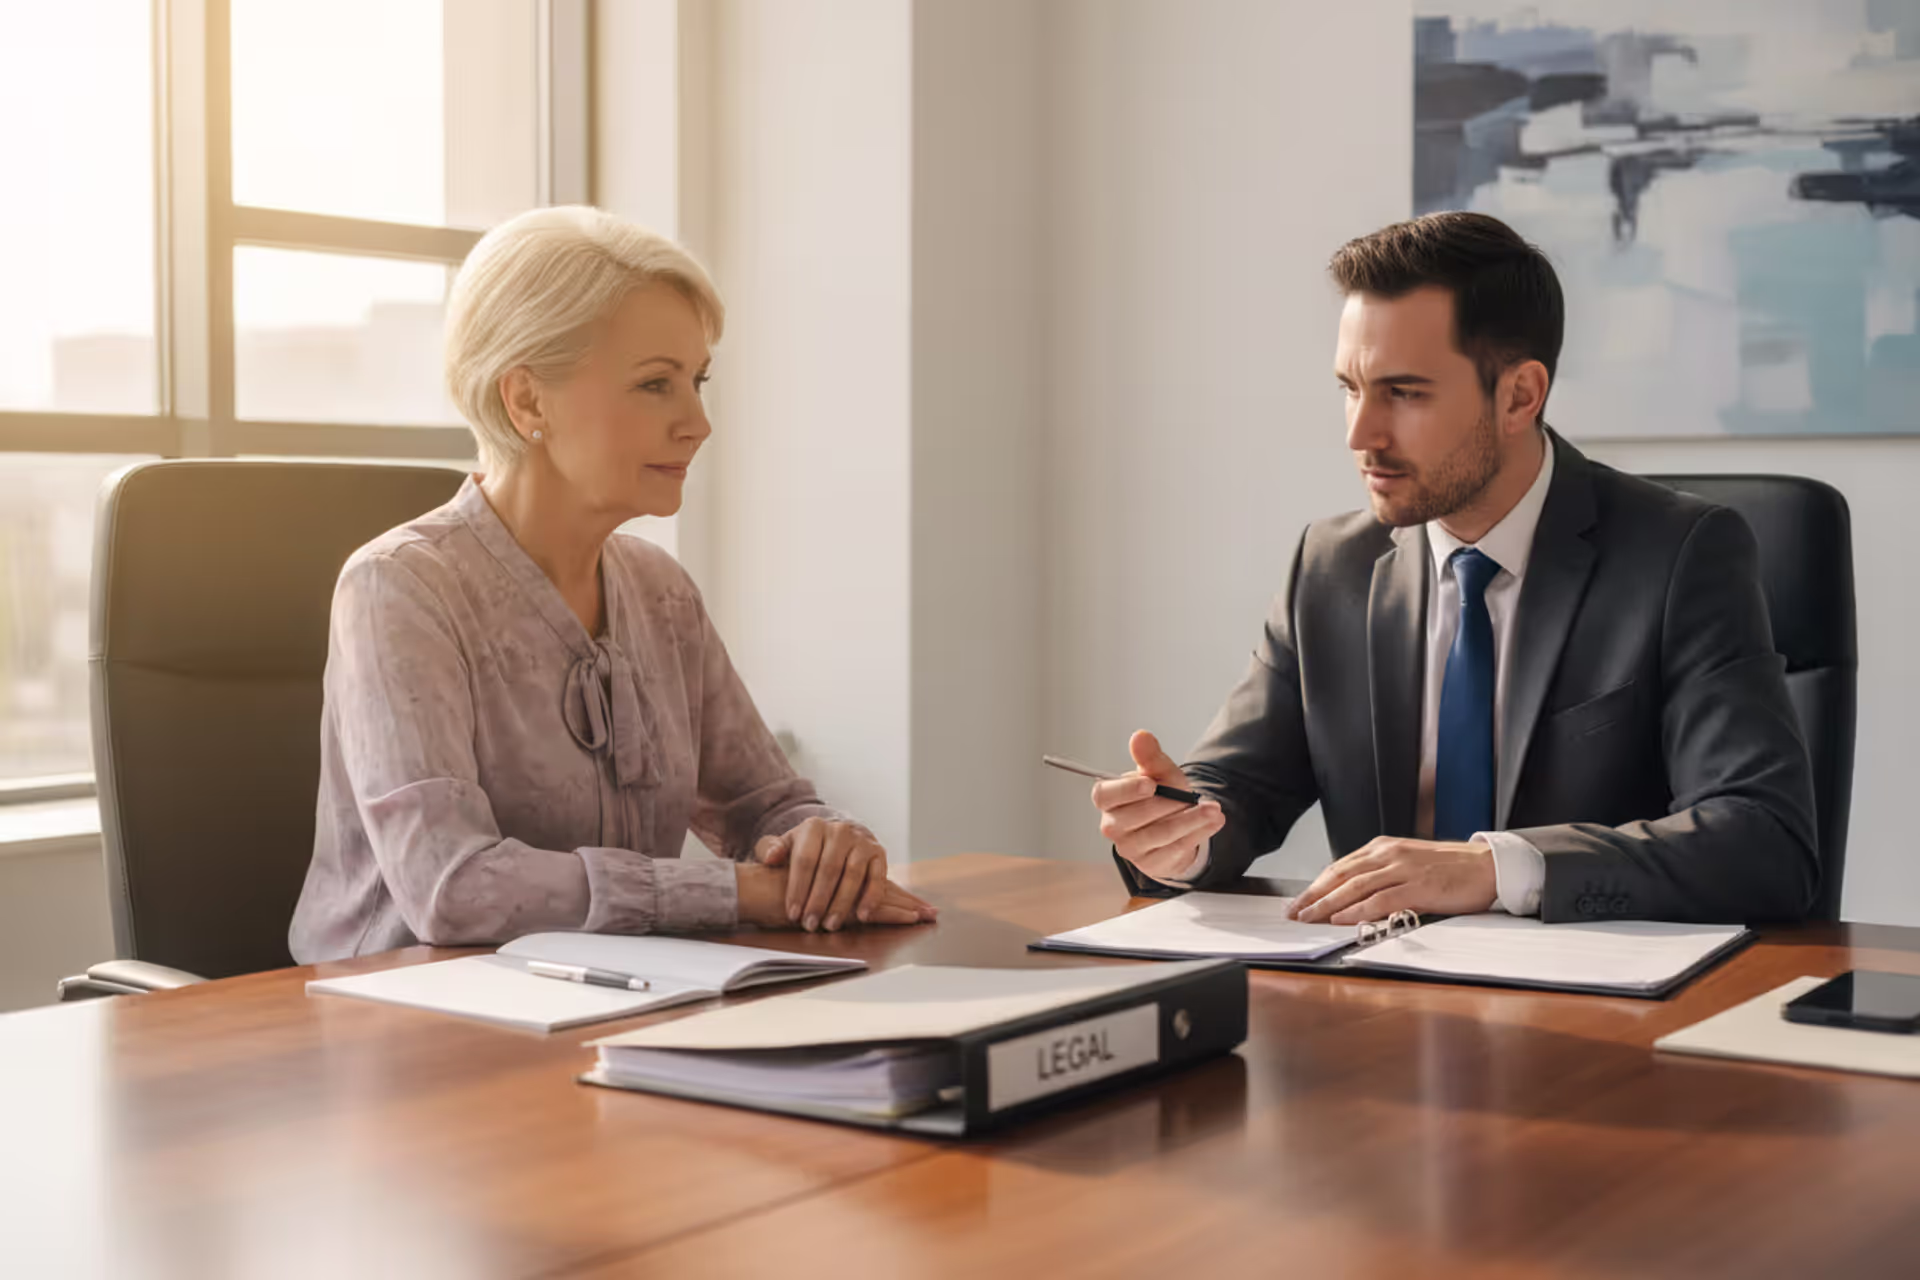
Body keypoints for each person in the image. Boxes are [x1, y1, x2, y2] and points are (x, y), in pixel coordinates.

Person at [1089, 211, 1818, 926]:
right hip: (1382, 996)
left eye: (1403, 393)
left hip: (1599, 1010)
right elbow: (1233, 789)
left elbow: (1763, 841)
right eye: (1350, 387)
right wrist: (1179, 840)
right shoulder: (1330, 566)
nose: (1360, 434)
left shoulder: (1679, 553)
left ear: (1519, 396)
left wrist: (1494, 869)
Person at [290, 206, 934, 963]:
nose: (699, 422)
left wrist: (827, 848)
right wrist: (739, 894)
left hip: (611, 1001)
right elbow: (452, 888)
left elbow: (765, 804)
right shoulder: (397, 589)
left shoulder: (659, 592)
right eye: (657, 385)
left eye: (697, 381)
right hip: (404, 1026)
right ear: (527, 401)